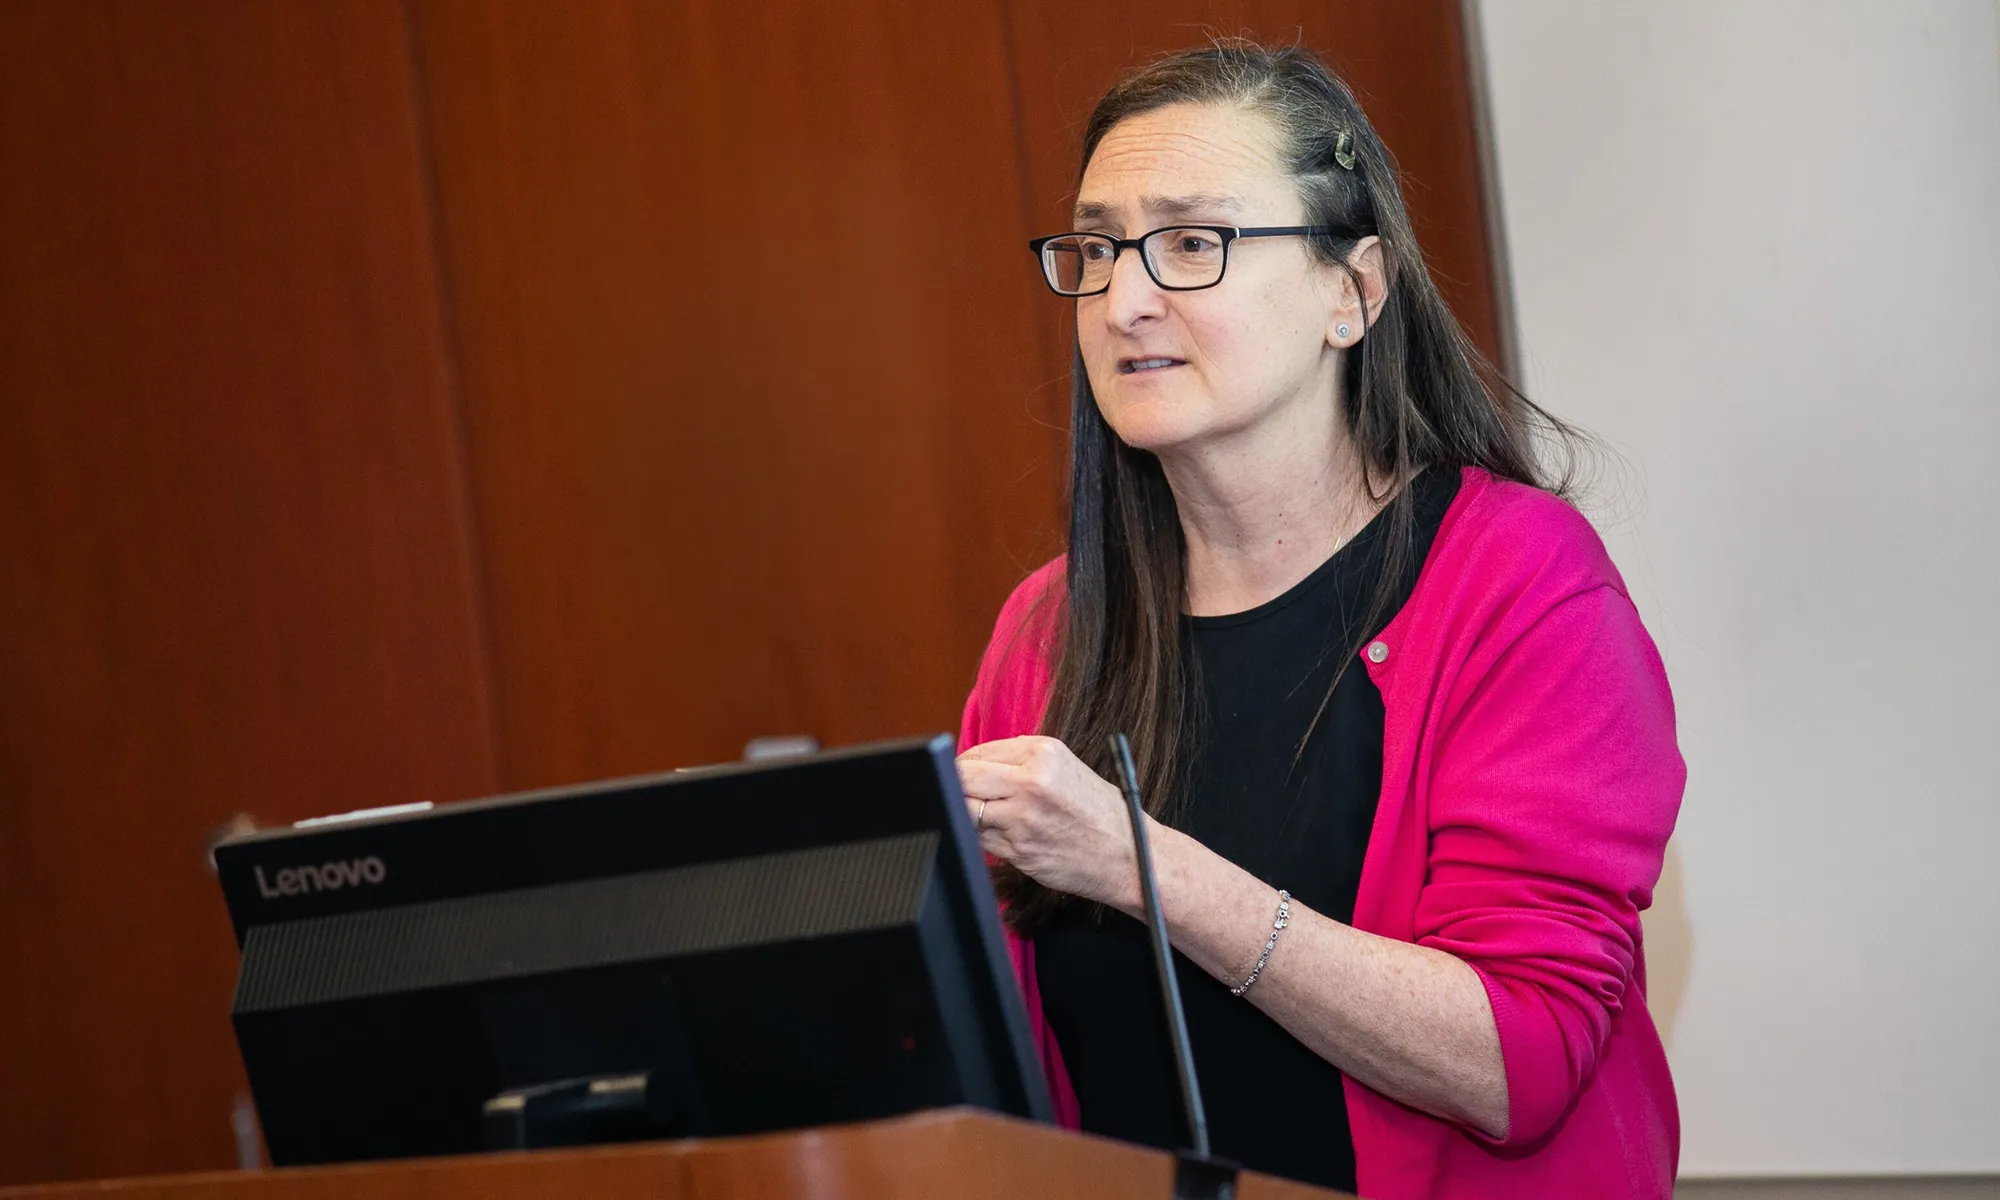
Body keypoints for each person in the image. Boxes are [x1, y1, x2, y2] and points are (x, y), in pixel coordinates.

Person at [955, 41, 1683, 1200]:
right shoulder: (1048, 628)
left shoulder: (1517, 583)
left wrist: (1145, 869)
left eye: (1192, 243)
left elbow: (1518, 1059)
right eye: (1098, 248)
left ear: (1352, 291)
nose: (1124, 298)